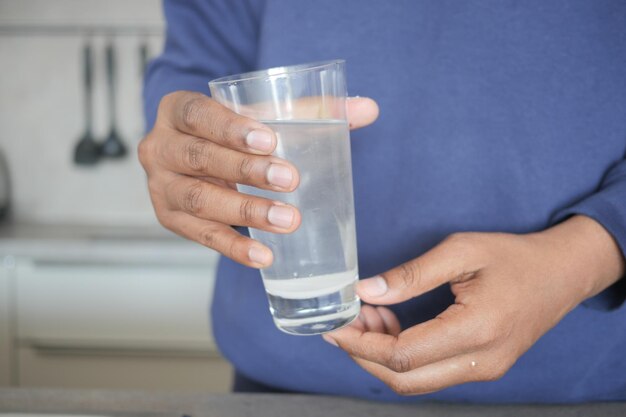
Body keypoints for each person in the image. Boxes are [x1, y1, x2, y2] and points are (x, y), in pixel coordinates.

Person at [139, 0, 626, 402]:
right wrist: (189, 146)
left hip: (584, 389)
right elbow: (198, 71)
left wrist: (588, 253)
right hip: (288, 387)